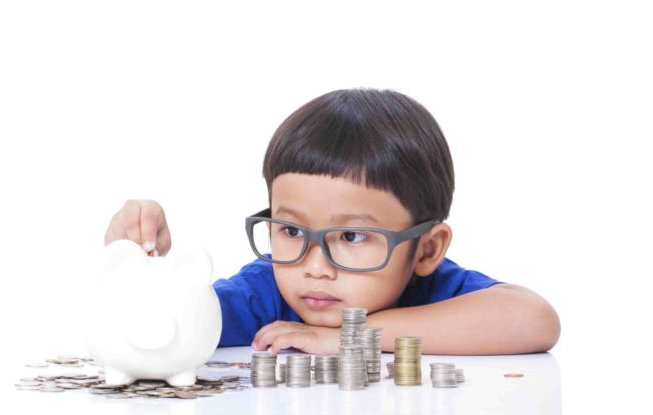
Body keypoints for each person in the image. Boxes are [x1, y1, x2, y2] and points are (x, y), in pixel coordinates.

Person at [103, 88, 561, 355]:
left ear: (426, 249)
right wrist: (142, 269)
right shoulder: (265, 291)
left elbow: (535, 320)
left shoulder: (435, 290)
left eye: (353, 235)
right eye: (292, 231)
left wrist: (346, 338)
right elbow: (160, 329)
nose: (315, 266)